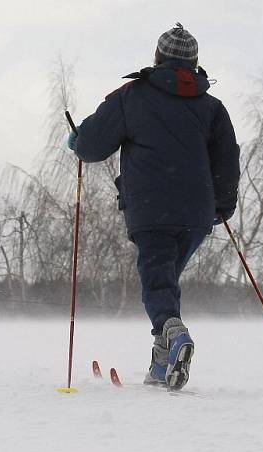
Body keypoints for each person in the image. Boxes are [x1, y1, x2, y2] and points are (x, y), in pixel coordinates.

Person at [67, 23, 240, 390]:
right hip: (196, 215)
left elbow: (92, 146)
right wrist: (222, 207)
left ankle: (174, 335)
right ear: (194, 64)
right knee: (164, 281)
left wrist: (76, 140)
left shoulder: (133, 96)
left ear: (158, 58)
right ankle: (162, 366)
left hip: (150, 208)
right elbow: (227, 160)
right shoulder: (211, 107)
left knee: (157, 282)